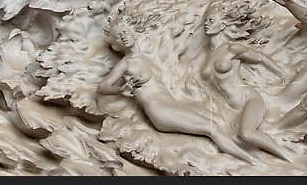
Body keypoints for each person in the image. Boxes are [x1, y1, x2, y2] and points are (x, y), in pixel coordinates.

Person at [98, 18, 254, 164]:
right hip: (159, 110)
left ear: (132, 32)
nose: (124, 37)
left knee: (215, 125)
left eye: (124, 32)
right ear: (115, 45)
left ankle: (249, 158)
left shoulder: (147, 57)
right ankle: (251, 162)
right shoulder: (127, 64)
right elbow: (102, 87)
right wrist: (121, 89)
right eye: (119, 37)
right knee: (211, 129)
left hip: (171, 105)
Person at [200, 0, 292, 160]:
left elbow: (261, 58)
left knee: (247, 133)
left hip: (248, 99)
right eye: (206, 20)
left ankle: (289, 157)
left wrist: (284, 75)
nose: (206, 24)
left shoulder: (231, 49)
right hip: (230, 109)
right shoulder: (207, 56)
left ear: (222, 25)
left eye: (211, 20)